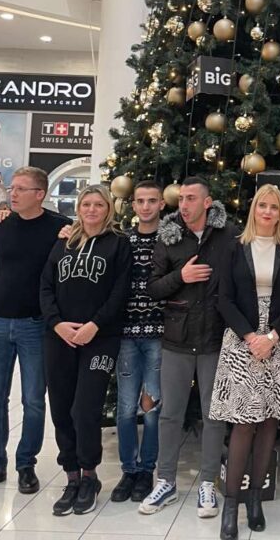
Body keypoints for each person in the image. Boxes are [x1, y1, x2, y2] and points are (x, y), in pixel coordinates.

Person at [210, 184, 280, 540]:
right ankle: (231, 506)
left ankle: (255, 500)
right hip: (243, 341)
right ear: (254, 209)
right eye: (262, 205)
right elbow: (223, 298)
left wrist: (272, 336)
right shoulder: (234, 247)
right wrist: (252, 337)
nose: (268, 212)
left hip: (279, 341)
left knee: (269, 422)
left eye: (274, 207)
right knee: (243, 424)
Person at [0, 167, 68, 496]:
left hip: (35, 325)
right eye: (13, 188)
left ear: (40, 194)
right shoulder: (1, 224)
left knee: (34, 400)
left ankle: (26, 464)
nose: (13, 193)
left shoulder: (59, 227)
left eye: (22, 189)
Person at [139, 176, 236, 517]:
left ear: (207, 203)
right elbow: (153, 288)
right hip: (177, 340)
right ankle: (165, 481)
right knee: (169, 413)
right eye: (181, 198)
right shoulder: (169, 235)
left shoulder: (230, 236)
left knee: (214, 415)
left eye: (191, 198)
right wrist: (181, 277)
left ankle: (208, 482)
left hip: (215, 340)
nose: (184, 204)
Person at [39, 184, 132, 517]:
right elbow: (46, 286)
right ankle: (72, 476)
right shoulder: (64, 241)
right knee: (61, 408)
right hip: (60, 337)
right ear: (78, 208)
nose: (92, 209)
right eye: (86, 204)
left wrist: (95, 324)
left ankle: (90, 476)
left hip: (100, 338)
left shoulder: (119, 243)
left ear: (108, 209)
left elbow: (121, 291)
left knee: (85, 409)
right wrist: (56, 324)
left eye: (99, 204)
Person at [110, 181, 166, 504]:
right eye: (141, 201)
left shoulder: (170, 239)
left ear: (161, 204)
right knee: (126, 405)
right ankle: (128, 470)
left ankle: (147, 470)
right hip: (127, 334)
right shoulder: (123, 240)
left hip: (158, 334)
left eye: (152, 201)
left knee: (153, 405)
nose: (146, 206)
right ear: (133, 205)